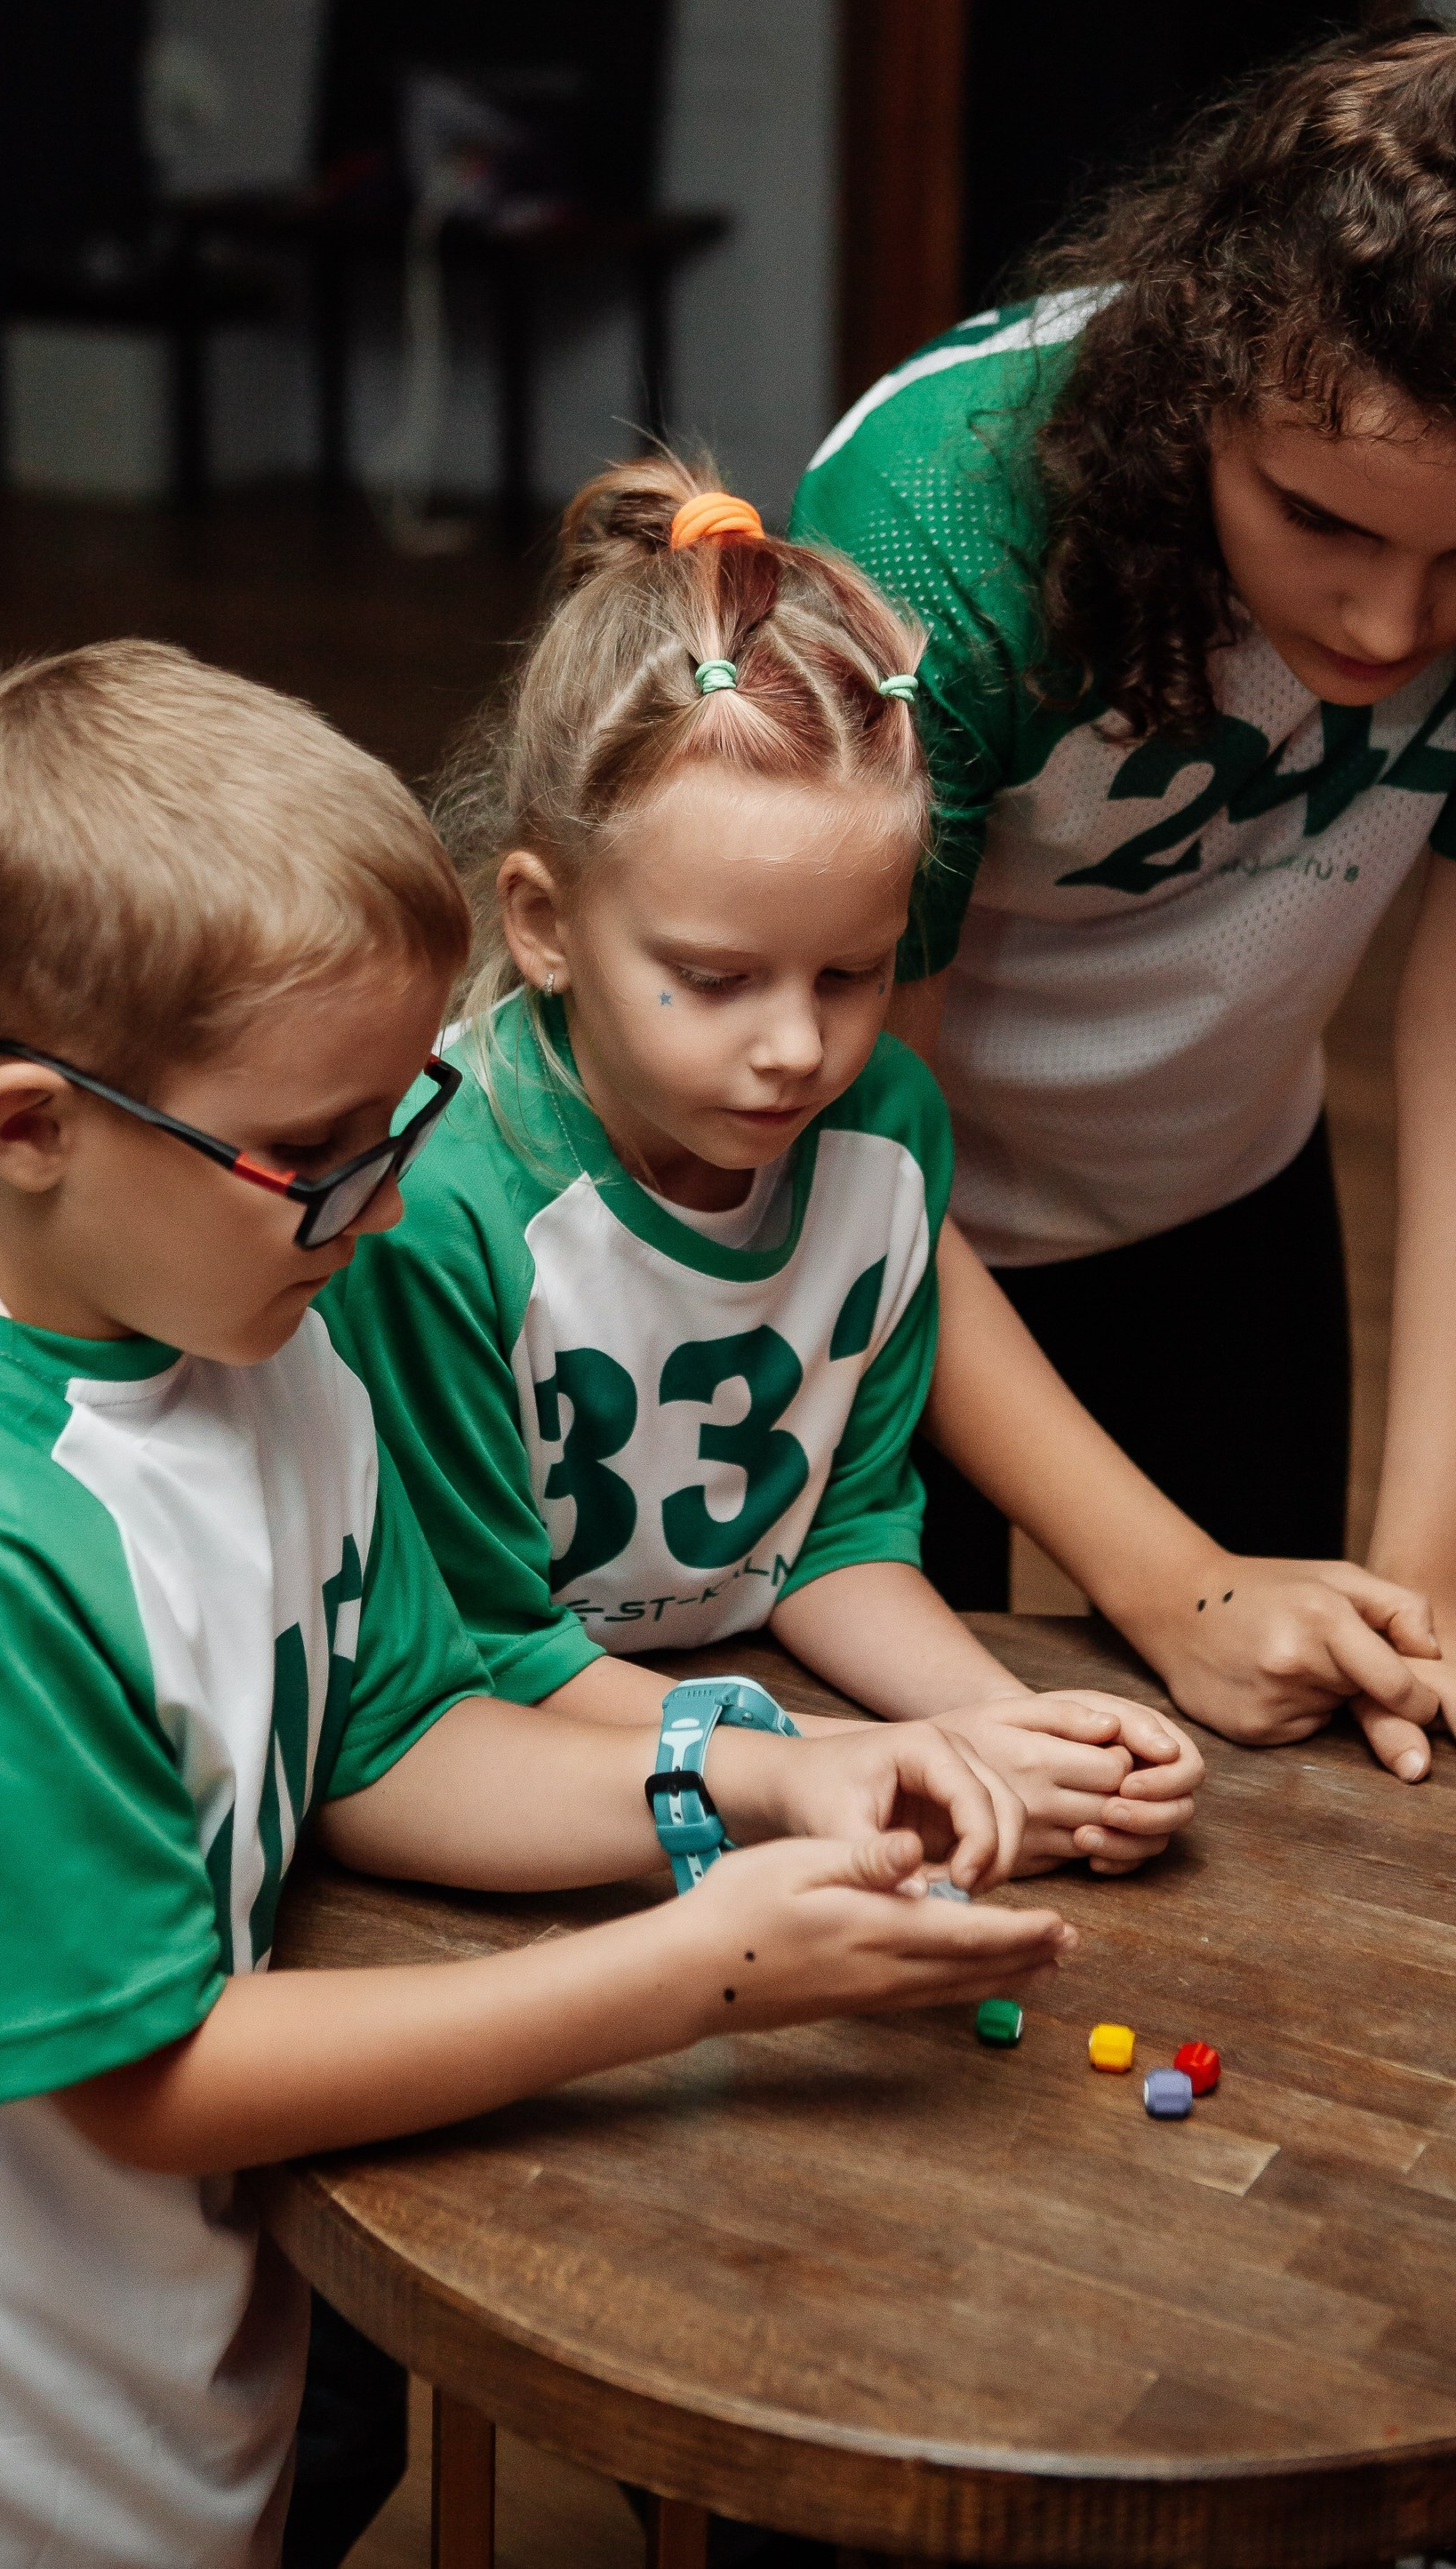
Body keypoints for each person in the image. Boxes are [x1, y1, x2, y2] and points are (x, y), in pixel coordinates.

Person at [0, 639, 1072, 2569]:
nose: (385, 1209)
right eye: (312, 1154)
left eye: (404, 1122)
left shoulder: (266, 1344)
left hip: (167, 2382)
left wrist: (766, 1772)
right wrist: (698, 1967)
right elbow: (153, 2075)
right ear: (29, 1128)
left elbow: (396, 1739)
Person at [792, 0, 1456, 1840]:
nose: (1380, 627)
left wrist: (1441, 1587)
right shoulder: (940, 523)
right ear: (1201, 378)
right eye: (1317, 522)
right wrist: (1160, 1581)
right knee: (910, 1809)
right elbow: (857, 1113)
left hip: (1215, 1188)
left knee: (1280, 1777)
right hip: (864, 1215)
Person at [323, 458, 1204, 1885]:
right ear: (543, 924)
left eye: (851, 973)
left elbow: (835, 1531)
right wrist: (826, 1770)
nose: (797, 1049)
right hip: (493, 1793)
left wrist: (1008, 1722)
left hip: (707, 1736)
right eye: (718, 979)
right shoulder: (428, 1206)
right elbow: (486, 1651)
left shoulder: (886, 1133)